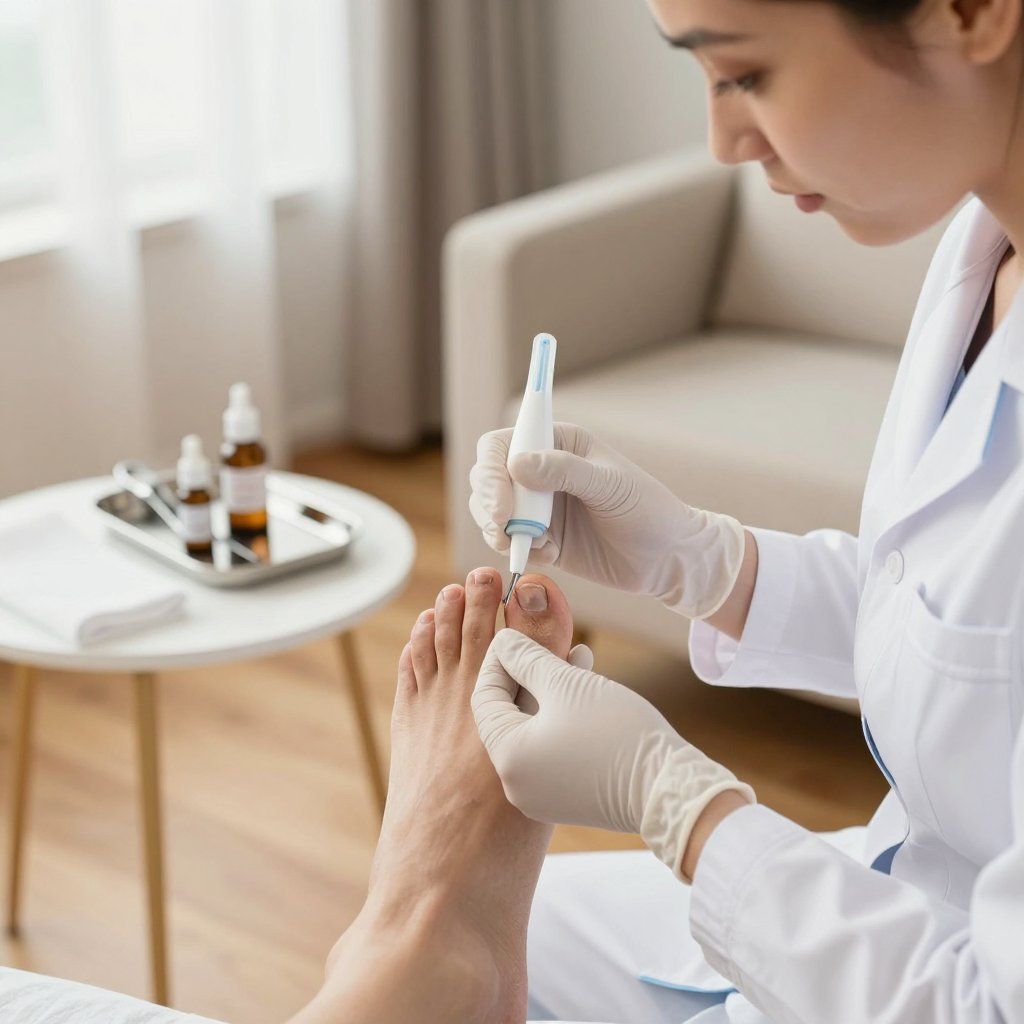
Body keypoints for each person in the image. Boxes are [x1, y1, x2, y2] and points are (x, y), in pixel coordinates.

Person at [465, 0, 1024, 1022]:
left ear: (970, 11)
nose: (721, 141)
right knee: (470, 935)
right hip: (887, 905)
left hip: (932, 984)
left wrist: (679, 806)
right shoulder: (983, 247)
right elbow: (964, 628)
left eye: (743, 74)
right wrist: (701, 562)